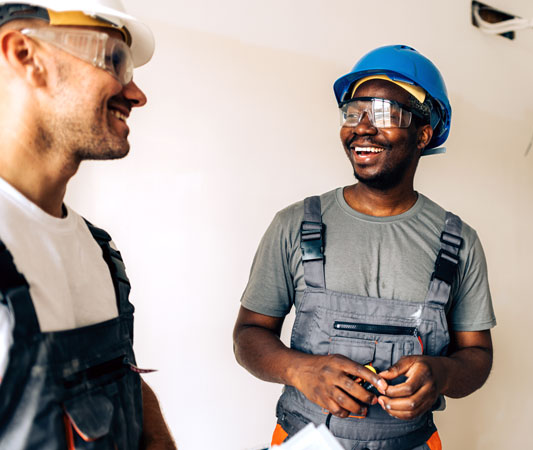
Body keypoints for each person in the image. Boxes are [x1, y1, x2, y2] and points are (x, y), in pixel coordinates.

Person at [233, 45, 496, 449]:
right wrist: (300, 370)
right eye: (353, 113)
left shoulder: (459, 242)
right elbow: (248, 334)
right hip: (305, 439)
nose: (362, 128)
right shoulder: (295, 225)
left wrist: (440, 374)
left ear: (423, 135)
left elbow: (477, 357)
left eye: (385, 114)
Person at [0, 1, 175, 448]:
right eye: (114, 59)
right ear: (25, 55)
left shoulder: (99, 249)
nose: (136, 94)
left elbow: (121, 377)